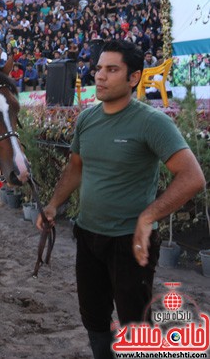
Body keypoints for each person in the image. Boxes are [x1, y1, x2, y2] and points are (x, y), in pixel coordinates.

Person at [37, 39, 205, 359]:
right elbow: (76, 168)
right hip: (87, 235)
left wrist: (147, 217)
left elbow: (192, 177)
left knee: (135, 324)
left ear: (133, 78)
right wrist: (53, 204)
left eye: (112, 70)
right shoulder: (87, 119)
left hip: (130, 243)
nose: (100, 76)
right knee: (95, 320)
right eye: (99, 68)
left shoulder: (151, 122)